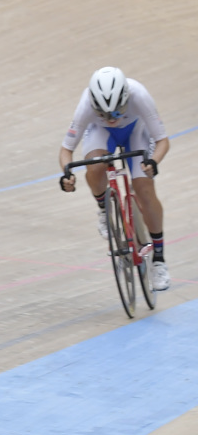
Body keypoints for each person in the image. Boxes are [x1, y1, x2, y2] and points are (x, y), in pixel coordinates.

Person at [59, 67, 170, 290]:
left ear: (126, 98)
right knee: (95, 165)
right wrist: (67, 174)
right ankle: (103, 209)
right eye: (103, 114)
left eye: (116, 112)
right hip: (101, 135)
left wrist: (153, 163)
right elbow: (65, 151)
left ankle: (158, 259)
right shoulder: (86, 105)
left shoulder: (139, 96)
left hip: (135, 132)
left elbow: (162, 141)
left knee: (144, 188)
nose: (110, 119)